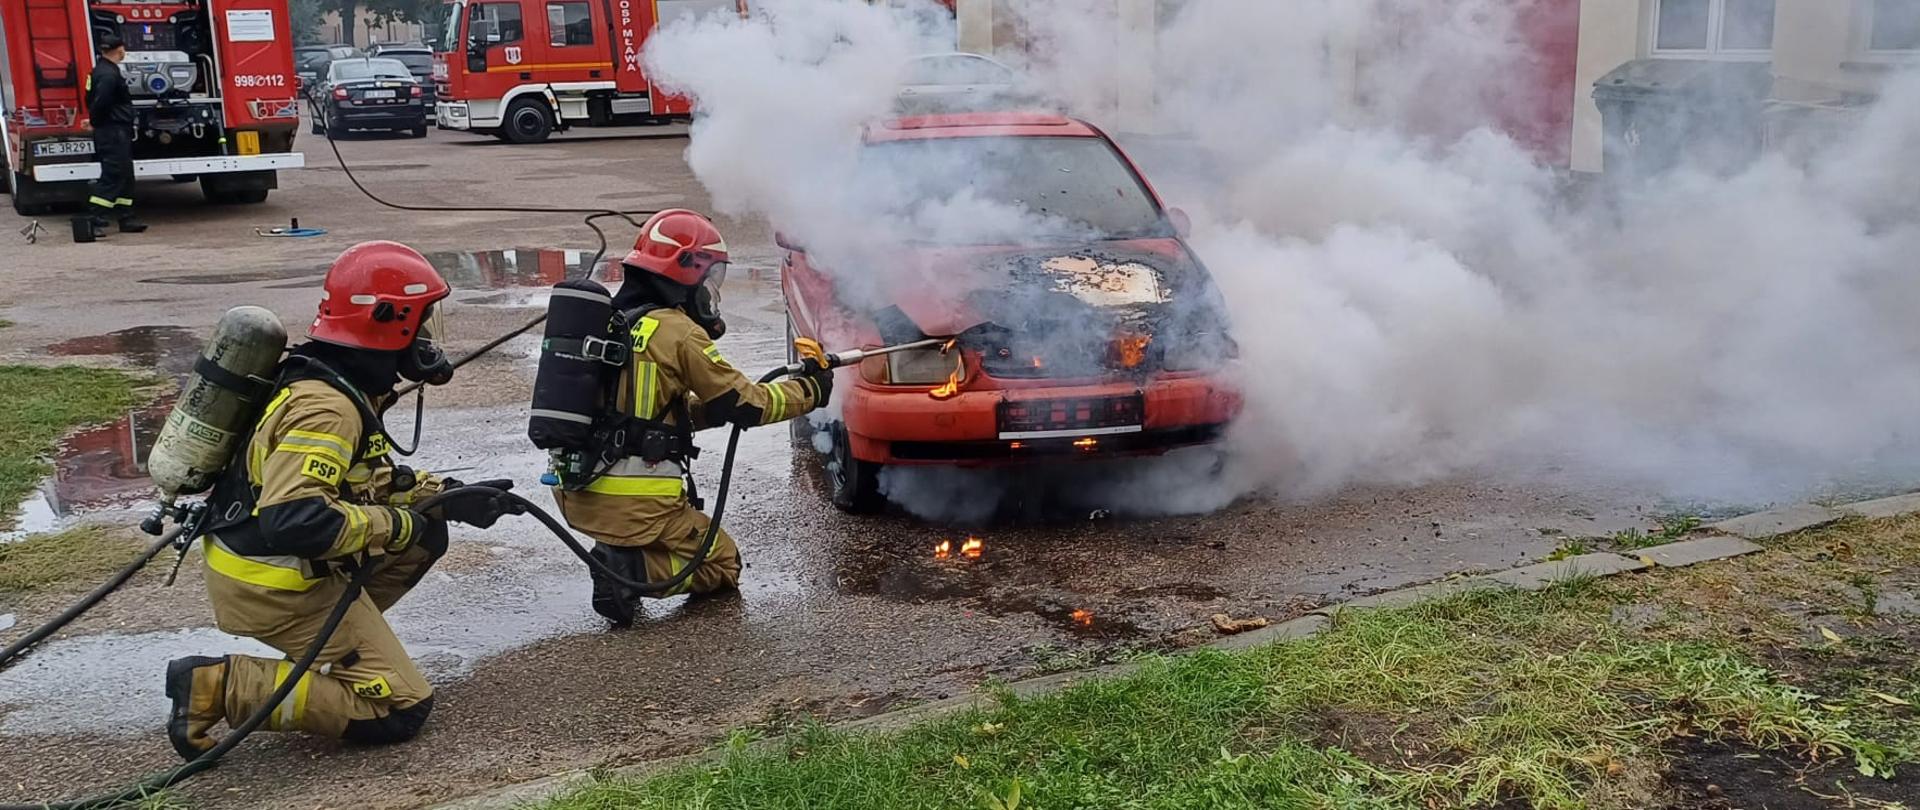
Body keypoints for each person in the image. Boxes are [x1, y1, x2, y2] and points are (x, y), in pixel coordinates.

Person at [164, 241, 518, 759]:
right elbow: (296, 521)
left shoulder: (335, 379)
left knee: (428, 532)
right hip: (274, 583)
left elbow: (363, 480)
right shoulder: (327, 408)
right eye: (420, 322)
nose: (426, 339)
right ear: (388, 322)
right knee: (398, 709)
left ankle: (350, 646)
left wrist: (443, 498)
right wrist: (402, 525)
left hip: (270, 565)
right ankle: (217, 686)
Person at [553, 209, 834, 625]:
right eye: (711, 277)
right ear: (685, 272)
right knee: (722, 565)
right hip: (636, 503)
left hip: (577, 493)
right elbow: (748, 405)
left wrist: (704, 413)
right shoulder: (677, 332)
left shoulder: (610, 322)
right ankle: (629, 574)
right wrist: (812, 390)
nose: (711, 290)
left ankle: (621, 555)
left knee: (673, 539)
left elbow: (639, 414)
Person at [85, 33, 145, 238]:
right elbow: (101, 102)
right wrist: (95, 122)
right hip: (112, 131)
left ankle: (126, 217)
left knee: (126, 175)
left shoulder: (103, 70)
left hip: (114, 129)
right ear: (120, 50)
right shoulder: (108, 75)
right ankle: (93, 219)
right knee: (114, 175)